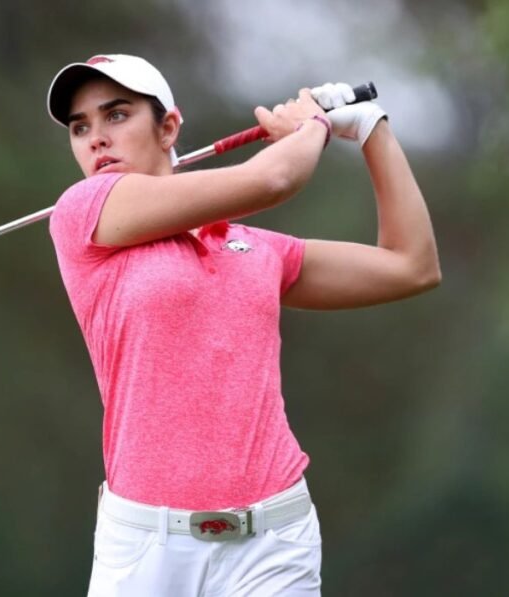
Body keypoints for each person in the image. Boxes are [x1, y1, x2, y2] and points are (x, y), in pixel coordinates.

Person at [45, 54, 440, 596]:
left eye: (116, 115)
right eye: (80, 127)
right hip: (145, 550)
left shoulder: (253, 249)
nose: (97, 139)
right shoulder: (82, 213)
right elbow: (275, 177)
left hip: (273, 543)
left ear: (168, 129)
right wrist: (315, 125)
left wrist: (371, 128)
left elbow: (412, 266)